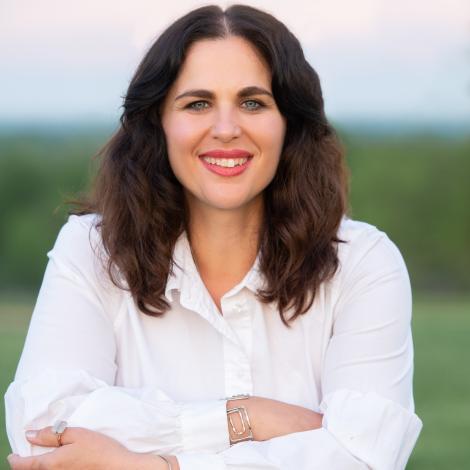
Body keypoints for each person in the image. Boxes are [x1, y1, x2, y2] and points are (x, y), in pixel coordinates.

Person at [5, 4, 423, 470]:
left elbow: (365, 459)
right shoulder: (91, 250)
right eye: (197, 103)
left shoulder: (363, 264)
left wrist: (157, 466)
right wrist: (246, 417)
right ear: (158, 122)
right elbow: (42, 433)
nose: (226, 129)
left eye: (253, 103)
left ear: (290, 123)